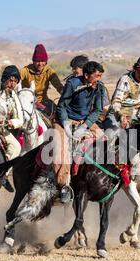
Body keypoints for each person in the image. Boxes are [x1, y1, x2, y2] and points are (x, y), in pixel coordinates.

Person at [53, 61, 106, 203]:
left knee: (106, 142)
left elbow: (97, 110)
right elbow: (61, 107)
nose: (99, 79)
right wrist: (66, 125)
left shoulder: (99, 87)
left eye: (100, 76)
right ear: (87, 75)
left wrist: (86, 126)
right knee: (62, 153)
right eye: (97, 76)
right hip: (65, 121)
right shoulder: (72, 84)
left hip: (84, 121)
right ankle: (63, 187)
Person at [111, 56, 140, 129]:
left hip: (136, 117)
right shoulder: (125, 80)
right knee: (110, 134)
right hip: (118, 114)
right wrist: (120, 115)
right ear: (135, 69)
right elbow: (116, 101)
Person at [20, 44, 64, 119]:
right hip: (26, 102)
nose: (40, 64)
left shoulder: (49, 71)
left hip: (43, 101)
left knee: (59, 116)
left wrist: (65, 95)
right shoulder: (25, 71)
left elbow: (59, 86)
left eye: (42, 61)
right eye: (37, 61)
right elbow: (15, 79)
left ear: (46, 61)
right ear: (33, 61)